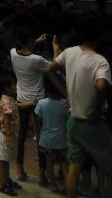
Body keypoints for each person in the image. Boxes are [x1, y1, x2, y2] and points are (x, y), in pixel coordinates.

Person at [46, 17, 112, 198]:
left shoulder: (69, 52)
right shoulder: (100, 61)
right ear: (99, 36)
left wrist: (65, 93)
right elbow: (101, 86)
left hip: (73, 121)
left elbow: (49, 69)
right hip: (91, 123)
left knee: (74, 168)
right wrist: (96, 110)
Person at [10, 28, 50, 185]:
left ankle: (20, 170)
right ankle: (42, 175)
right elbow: (54, 66)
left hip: (22, 101)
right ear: (28, 41)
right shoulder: (37, 60)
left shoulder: (13, 53)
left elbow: (22, 47)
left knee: (21, 136)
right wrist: (55, 49)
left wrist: (35, 42)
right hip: (38, 102)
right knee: (40, 138)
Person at [34, 74, 68, 194]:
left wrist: (38, 136)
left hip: (46, 140)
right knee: (63, 162)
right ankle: (69, 184)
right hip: (61, 139)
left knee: (49, 162)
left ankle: (52, 184)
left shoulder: (42, 103)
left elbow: (38, 122)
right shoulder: (64, 103)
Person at [0, 73, 21, 196]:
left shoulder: (10, 99)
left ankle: (6, 179)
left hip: (9, 135)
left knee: (6, 159)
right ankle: (2, 185)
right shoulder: (7, 101)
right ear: (8, 87)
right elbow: (6, 119)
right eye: (14, 84)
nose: (16, 86)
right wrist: (9, 136)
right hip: (6, 136)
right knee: (2, 160)